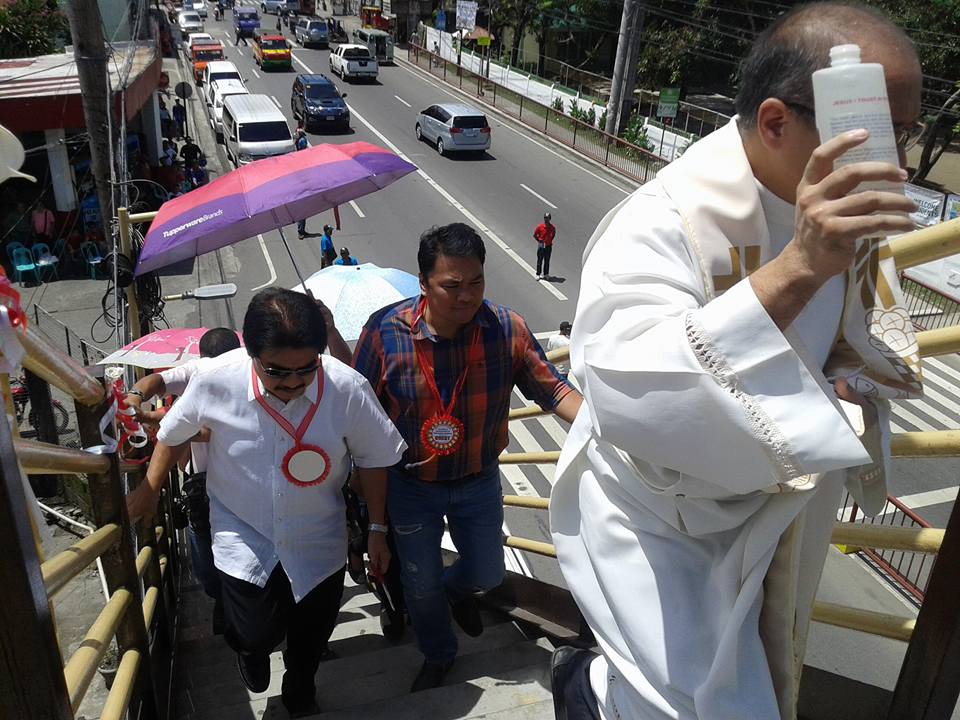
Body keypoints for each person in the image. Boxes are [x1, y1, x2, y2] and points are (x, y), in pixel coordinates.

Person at [548, 4, 923, 719]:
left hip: (780, 501)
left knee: (765, 677)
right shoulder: (663, 220)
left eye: (903, 132)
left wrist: (847, 372)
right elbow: (630, 387)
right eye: (876, 129)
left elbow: (862, 330)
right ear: (777, 122)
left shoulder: (842, 200)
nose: (898, 163)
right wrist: (801, 265)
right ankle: (582, 688)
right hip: (664, 515)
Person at [126, 288, 406, 717]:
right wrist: (148, 487)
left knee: (312, 635)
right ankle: (249, 652)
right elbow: (172, 432)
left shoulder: (347, 387)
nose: (293, 383)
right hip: (244, 531)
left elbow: (374, 461)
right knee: (255, 632)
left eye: (306, 370)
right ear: (251, 354)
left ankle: (300, 690)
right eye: (278, 372)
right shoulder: (217, 381)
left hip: (319, 532)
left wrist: (377, 531)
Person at [352, 223, 582, 692]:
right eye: (451, 286)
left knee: (487, 572)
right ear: (423, 283)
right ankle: (439, 654)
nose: (466, 296)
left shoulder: (506, 328)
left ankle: (458, 593)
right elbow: (359, 417)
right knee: (419, 583)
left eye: (475, 282)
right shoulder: (384, 333)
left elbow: (552, 389)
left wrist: (604, 429)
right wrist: (370, 515)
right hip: (410, 486)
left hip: (477, 481)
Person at [124, 328, 242, 633]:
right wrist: (140, 400)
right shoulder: (217, 370)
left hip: (209, 478)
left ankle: (227, 602)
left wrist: (141, 403)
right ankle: (230, 603)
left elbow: (215, 430)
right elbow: (159, 383)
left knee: (205, 547)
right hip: (217, 477)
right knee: (213, 544)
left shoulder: (203, 371)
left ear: (202, 354)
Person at [294, 128, 310, 238]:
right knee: (301, 217)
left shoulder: (301, 140)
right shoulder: (301, 141)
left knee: (304, 217)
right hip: (300, 200)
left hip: (303, 199)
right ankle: (300, 232)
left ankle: (302, 230)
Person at [533, 212, 555, 280]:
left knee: (547, 260)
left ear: (550, 219)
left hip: (548, 246)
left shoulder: (552, 227)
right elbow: (535, 235)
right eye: (545, 218)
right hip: (541, 246)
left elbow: (553, 235)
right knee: (540, 260)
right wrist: (539, 241)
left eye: (547, 218)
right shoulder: (540, 227)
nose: (546, 219)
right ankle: (538, 274)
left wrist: (549, 241)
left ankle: (546, 274)